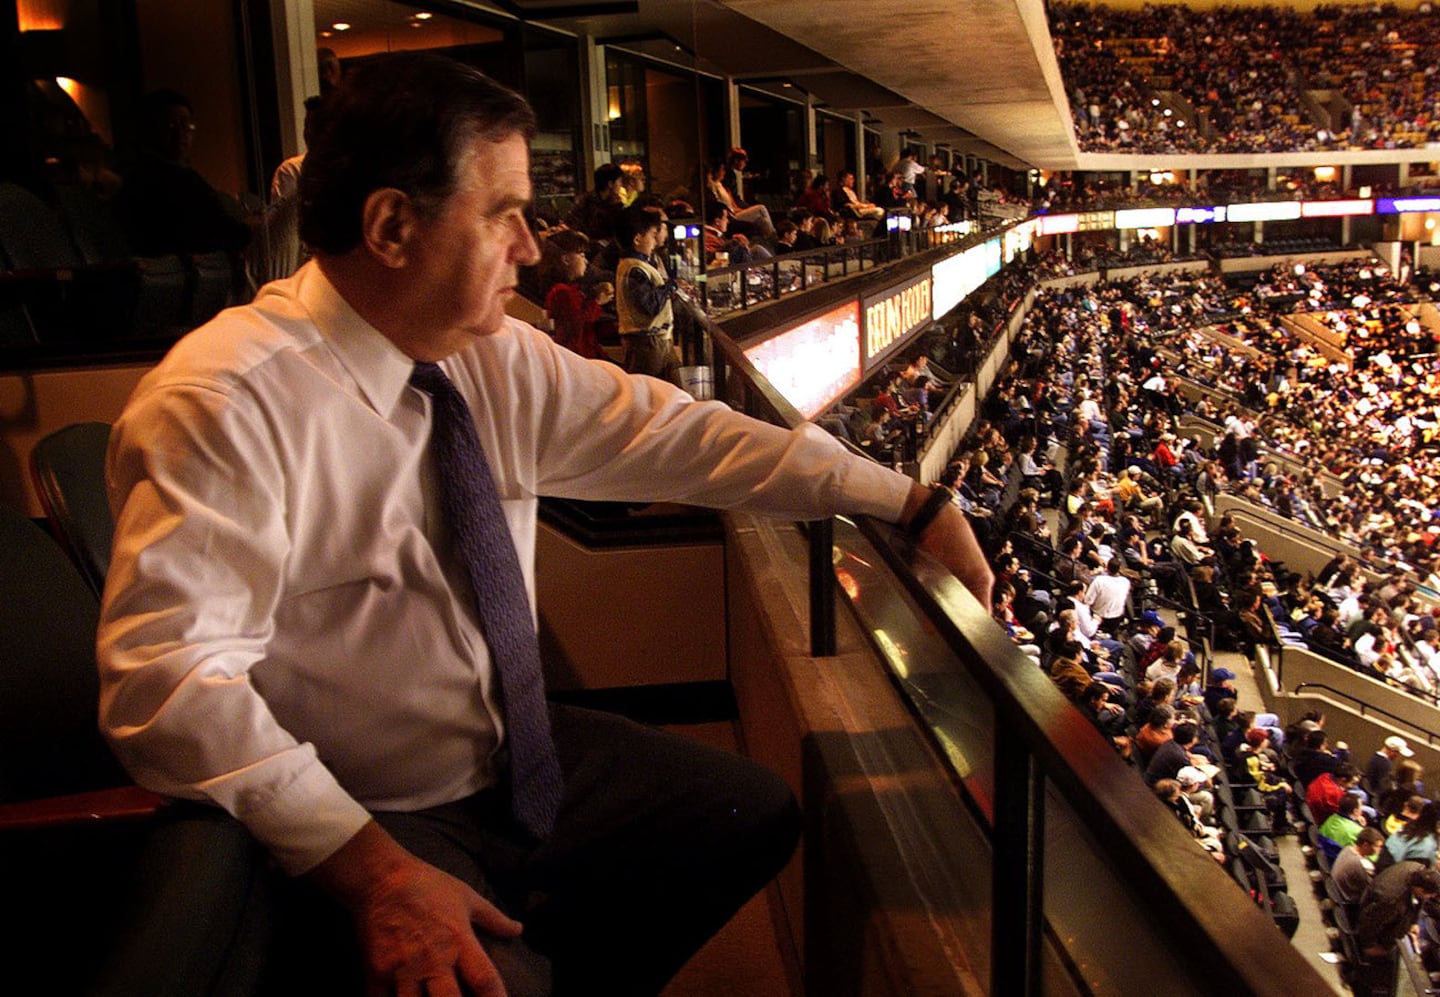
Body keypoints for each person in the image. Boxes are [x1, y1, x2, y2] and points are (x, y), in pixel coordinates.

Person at [95, 54, 993, 997]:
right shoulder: (224, 403)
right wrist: (377, 872)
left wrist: (906, 499)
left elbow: (684, 435)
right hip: (373, 807)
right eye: (504, 214)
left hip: (506, 753)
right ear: (393, 226)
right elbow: (168, 683)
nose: (533, 245)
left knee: (749, 809)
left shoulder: (490, 355)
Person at [614, 203, 682, 386]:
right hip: (645, 343)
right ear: (637, 239)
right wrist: (669, 286)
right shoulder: (634, 268)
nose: (654, 241)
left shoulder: (635, 265)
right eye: (652, 235)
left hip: (658, 339)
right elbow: (650, 306)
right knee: (649, 393)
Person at [1332, 826, 1386, 905]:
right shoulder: (1360, 864)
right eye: (1377, 846)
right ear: (1365, 845)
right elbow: (1371, 888)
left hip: (1335, 889)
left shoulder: (1348, 848)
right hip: (1344, 899)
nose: (1379, 850)